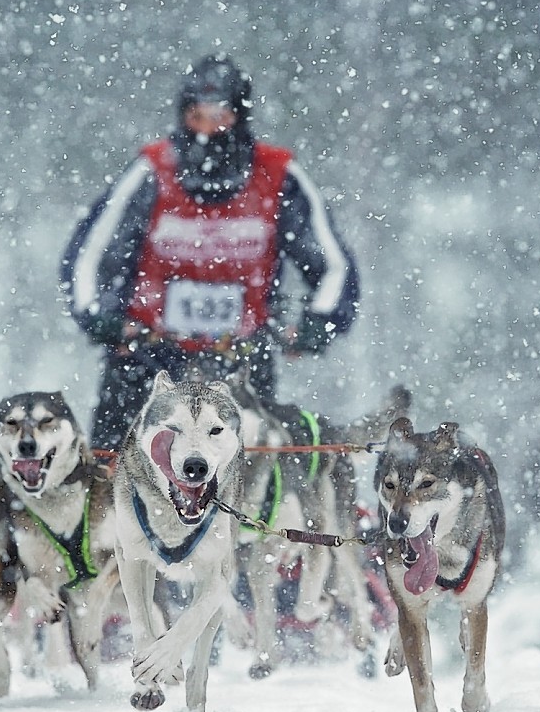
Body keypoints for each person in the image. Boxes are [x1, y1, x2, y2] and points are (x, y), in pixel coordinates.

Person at [61, 53, 361, 450]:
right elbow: (90, 255)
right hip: (148, 357)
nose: (208, 129)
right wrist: (101, 319)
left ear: (240, 116)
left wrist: (317, 325)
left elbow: (332, 266)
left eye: (220, 116)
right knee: (115, 471)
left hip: (240, 360)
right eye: (197, 117)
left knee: (243, 477)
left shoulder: (278, 176)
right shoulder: (151, 172)